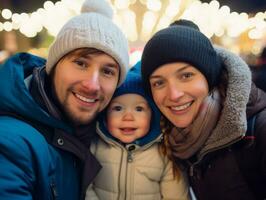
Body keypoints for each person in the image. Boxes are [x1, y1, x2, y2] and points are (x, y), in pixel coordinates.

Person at [0, 0, 129, 199]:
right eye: (81, 63)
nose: (92, 85)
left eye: (107, 71)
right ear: (54, 66)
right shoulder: (10, 143)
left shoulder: (100, 135)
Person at [141, 19, 266, 200]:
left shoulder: (259, 130)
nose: (174, 94)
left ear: (210, 78)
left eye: (186, 75)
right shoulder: (170, 138)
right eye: (159, 82)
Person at [85, 62, 190, 200]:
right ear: (105, 116)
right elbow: (86, 188)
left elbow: (176, 196)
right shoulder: (94, 147)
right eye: (118, 108)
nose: (128, 117)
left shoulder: (164, 153)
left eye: (139, 109)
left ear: (153, 116)